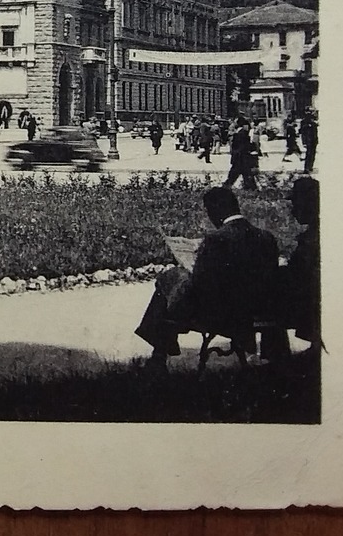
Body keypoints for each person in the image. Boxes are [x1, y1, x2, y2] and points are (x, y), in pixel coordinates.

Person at [134, 186, 280, 368]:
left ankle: (159, 355)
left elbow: (202, 283)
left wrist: (189, 268)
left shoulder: (216, 239)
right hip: (261, 309)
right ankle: (159, 352)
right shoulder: (266, 237)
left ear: (214, 210)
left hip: (223, 314)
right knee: (174, 282)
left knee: (169, 281)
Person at [282, 176, 321, 347]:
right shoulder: (315, 232)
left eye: (296, 204)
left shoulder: (313, 238)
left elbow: (298, 274)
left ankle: (278, 358)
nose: (293, 211)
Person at [224, 117, 259, 191]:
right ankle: (252, 189)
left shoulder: (240, 134)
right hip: (242, 159)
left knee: (234, 176)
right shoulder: (242, 133)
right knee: (246, 176)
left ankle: (225, 189)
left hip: (240, 159)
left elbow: (239, 147)